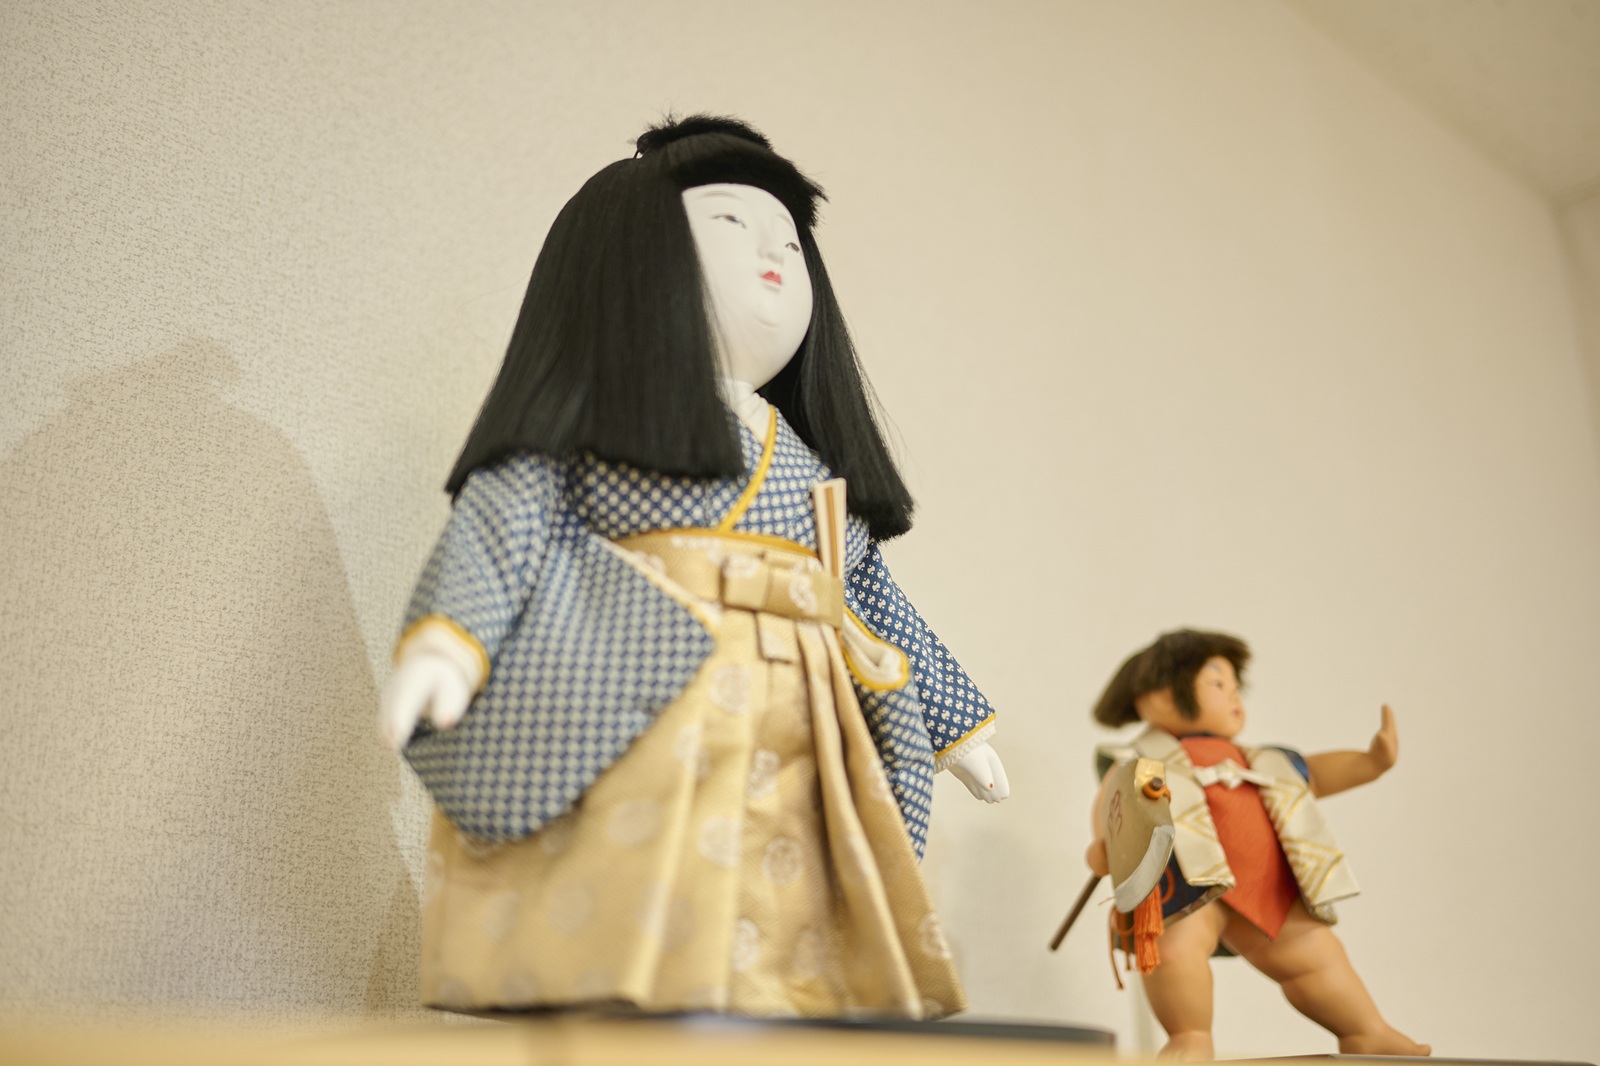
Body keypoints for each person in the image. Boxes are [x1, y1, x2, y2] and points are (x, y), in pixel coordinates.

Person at [378, 115, 1008, 1018]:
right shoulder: (597, 431)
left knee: (786, 895)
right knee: (636, 882)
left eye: (787, 241)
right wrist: (449, 644)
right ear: (631, 261)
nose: (772, 255)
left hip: (800, 714)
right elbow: (502, 526)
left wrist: (959, 730)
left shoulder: (809, 467)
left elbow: (869, 594)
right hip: (640, 688)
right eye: (730, 224)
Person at [1087, 628, 1428, 1059]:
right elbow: (1113, 807)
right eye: (1217, 684)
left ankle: (1366, 1031)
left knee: (1317, 957)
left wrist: (1370, 762)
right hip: (1188, 887)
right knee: (1175, 955)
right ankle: (1189, 1036)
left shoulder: (1261, 762)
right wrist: (1105, 846)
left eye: (1235, 686)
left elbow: (1314, 775)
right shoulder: (1139, 763)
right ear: (1163, 696)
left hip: (1266, 885)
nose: (1234, 695)